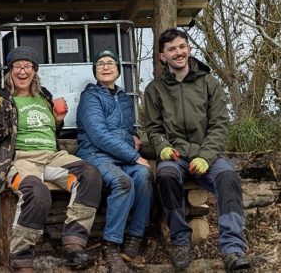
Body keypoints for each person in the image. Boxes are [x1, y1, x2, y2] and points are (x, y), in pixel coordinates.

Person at [0, 46, 102, 273]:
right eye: (17, 66)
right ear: (10, 71)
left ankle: (74, 243)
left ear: (34, 71)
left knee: (90, 174)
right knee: (37, 192)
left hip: (52, 156)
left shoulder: (44, 95)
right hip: (21, 158)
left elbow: (50, 131)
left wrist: (58, 120)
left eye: (28, 66)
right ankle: (20, 254)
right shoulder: (2, 97)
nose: (22, 71)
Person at [143, 29, 251, 272]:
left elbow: (220, 124)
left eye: (182, 47)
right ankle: (180, 242)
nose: (178, 52)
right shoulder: (154, 90)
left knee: (229, 177)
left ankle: (232, 248)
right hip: (176, 156)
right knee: (166, 176)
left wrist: (205, 156)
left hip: (208, 155)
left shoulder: (209, 83)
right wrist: (162, 147)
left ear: (189, 50)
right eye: (171, 49)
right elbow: (153, 127)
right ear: (163, 56)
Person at [76, 50, 153, 273]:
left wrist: (133, 137)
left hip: (121, 155)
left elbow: (126, 130)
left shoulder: (125, 99)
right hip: (95, 154)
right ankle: (111, 244)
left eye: (111, 63)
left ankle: (135, 237)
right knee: (123, 182)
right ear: (95, 71)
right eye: (100, 64)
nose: (106, 67)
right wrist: (133, 155)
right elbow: (98, 134)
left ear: (118, 70)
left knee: (145, 175)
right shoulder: (90, 97)